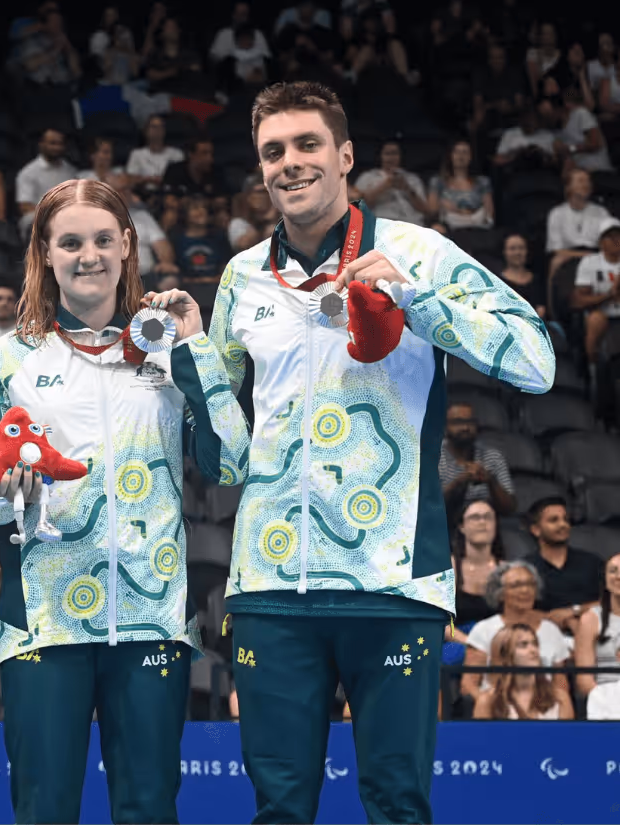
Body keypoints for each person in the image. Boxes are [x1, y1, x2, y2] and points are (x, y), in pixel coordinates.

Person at [216, 81, 554, 824]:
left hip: (393, 580)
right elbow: (220, 446)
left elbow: (536, 360)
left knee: (398, 805)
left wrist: (417, 301)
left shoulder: (417, 251)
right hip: (272, 586)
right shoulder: (240, 277)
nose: (289, 163)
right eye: (273, 151)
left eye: (307, 145)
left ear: (345, 155)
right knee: (278, 809)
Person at [0, 178, 249, 824]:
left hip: (150, 618)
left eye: (103, 240)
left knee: (148, 808)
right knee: (44, 809)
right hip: (43, 621)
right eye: (71, 242)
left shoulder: (167, 350)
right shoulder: (9, 359)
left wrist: (194, 345)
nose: (89, 254)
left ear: (128, 246)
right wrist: (3, 498)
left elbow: (231, 460)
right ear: (46, 253)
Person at [461, 561, 571, 701]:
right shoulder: (484, 630)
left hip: (543, 711)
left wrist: (559, 705)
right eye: (516, 585)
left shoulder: (551, 631)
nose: (525, 590)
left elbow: (560, 681)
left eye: (530, 584)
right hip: (498, 712)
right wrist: (488, 707)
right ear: (499, 594)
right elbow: (468, 685)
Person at [526, 496, 602, 633]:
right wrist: (565, 622)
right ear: (536, 530)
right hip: (542, 636)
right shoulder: (524, 568)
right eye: (553, 520)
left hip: (592, 632)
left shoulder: (591, 562)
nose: (563, 524)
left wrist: (574, 611)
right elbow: (516, 610)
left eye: (566, 519)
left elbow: (612, 600)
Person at [473, 623, 574, 719]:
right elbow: (480, 737)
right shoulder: (487, 701)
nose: (533, 650)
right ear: (506, 653)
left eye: (535, 644)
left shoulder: (560, 699)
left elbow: (567, 736)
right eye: (523, 645)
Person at [438, 401, 517, 515]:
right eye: (457, 422)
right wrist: (459, 482)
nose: (465, 427)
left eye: (470, 422)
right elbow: (427, 507)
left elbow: (509, 509)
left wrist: (491, 481)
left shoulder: (492, 456)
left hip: (483, 521)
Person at [572, 218, 620, 362]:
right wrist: (609, 294)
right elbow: (578, 301)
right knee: (595, 319)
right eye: (609, 237)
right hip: (602, 314)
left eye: (618, 236)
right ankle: (593, 366)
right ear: (600, 242)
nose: (615, 240)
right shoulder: (590, 262)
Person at [452, 499, 505, 628]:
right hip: (457, 642)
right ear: (462, 526)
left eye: (488, 517)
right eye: (475, 517)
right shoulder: (447, 568)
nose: (482, 522)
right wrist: (472, 643)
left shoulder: (507, 570)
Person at [574, 553, 620, 698]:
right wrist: (609, 704)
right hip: (606, 706)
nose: (618, 576)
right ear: (605, 580)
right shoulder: (590, 620)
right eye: (613, 571)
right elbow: (584, 681)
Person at [355, 140, 432, 226]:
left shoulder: (412, 179)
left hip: (411, 225)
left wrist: (407, 188)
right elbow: (358, 205)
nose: (392, 158)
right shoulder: (368, 177)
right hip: (381, 225)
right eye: (387, 154)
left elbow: (426, 211)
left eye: (395, 153)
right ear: (380, 156)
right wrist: (385, 185)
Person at [16, 128, 77, 234]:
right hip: (39, 218)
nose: (57, 147)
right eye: (52, 143)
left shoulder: (71, 171)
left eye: (60, 144)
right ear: (41, 144)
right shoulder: (28, 172)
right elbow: (25, 207)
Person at [427, 140, 494, 230]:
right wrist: (442, 204)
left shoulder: (482, 181)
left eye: (465, 152)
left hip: (476, 226)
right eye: (457, 152)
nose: (460, 156)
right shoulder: (438, 181)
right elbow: (432, 210)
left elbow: (489, 214)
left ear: (471, 157)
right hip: (448, 227)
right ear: (450, 156)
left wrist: (458, 210)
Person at [500, 233, 546, 318]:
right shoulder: (498, 282)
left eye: (521, 248)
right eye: (512, 249)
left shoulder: (536, 280)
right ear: (504, 252)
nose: (517, 252)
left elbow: (541, 309)